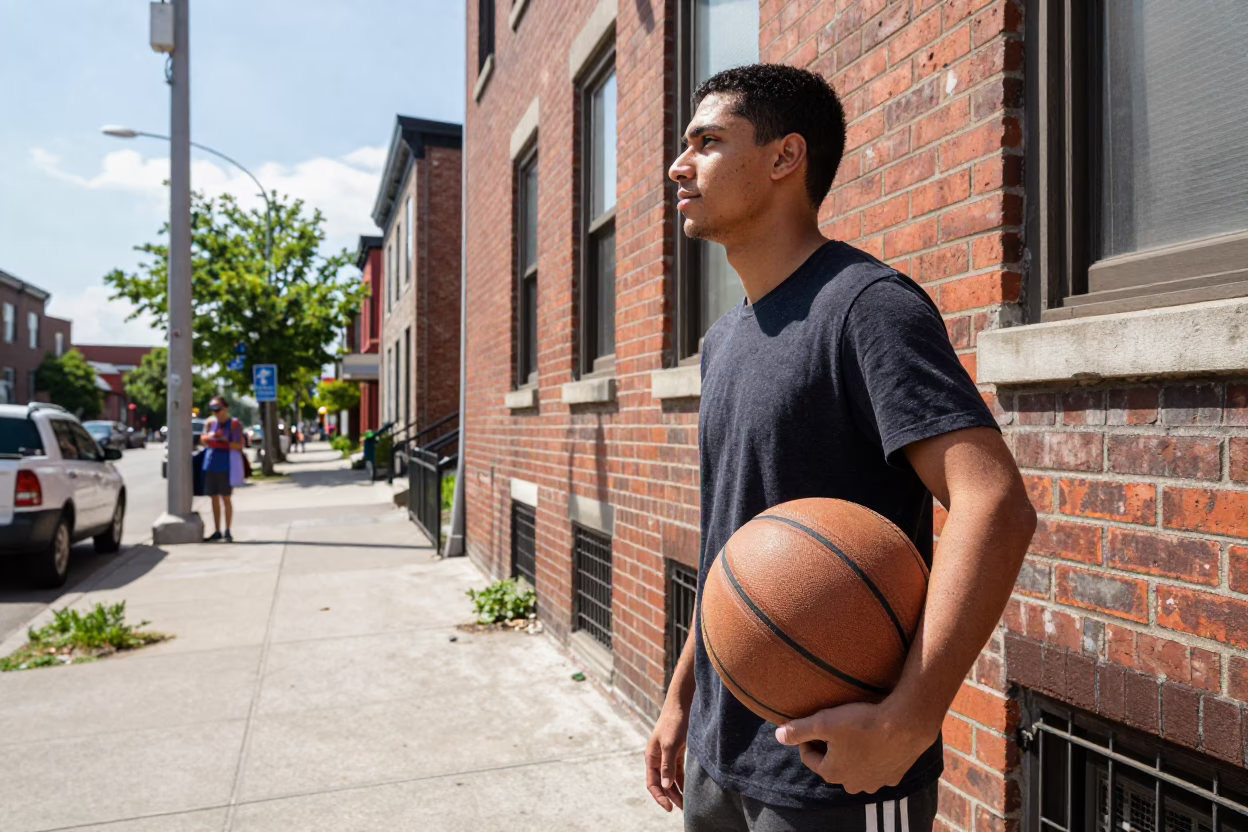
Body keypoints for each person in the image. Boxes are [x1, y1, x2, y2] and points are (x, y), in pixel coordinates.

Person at [647, 64, 1037, 831]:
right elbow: (733, 538)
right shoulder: (724, 339)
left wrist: (909, 721)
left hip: (840, 773)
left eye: (708, 141)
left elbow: (995, 502)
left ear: (786, 157)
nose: (678, 165)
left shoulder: (867, 308)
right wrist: (680, 698)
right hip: (718, 754)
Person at [201, 395, 243, 542]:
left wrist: (222, 441)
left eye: (217, 409)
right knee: (213, 498)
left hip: (226, 465)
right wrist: (209, 438)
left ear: (225, 408)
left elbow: (239, 445)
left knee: (226, 498)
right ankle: (217, 530)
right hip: (210, 463)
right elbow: (203, 439)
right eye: (212, 409)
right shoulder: (210, 423)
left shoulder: (234, 424)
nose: (214, 412)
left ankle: (228, 530)